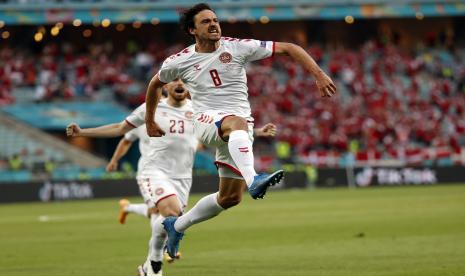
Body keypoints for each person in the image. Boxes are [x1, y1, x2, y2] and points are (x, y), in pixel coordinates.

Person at [144, 3, 337, 260]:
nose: (213, 24)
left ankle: (176, 226)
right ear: (192, 30)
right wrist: (149, 121)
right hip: (207, 121)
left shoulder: (237, 46)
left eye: (215, 20)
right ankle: (254, 178)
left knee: (230, 198)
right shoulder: (179, 61)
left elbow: (290, 48)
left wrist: (319, 74)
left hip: (238, 131)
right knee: (236, 123)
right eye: (205, 22)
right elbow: (155, 83)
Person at [66, 79, 279, 275]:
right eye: (174, 80)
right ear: (165, 87)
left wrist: (257, 132)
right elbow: (120, 128)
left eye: (184, 81)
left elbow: (221, 128)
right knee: (169, 212)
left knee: (169, 222)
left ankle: (151, 264)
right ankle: (156, 265)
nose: (179, 83)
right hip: (154, 171)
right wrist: (82, 132)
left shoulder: (198, 110)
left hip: (183, 177)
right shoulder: (153, 107)